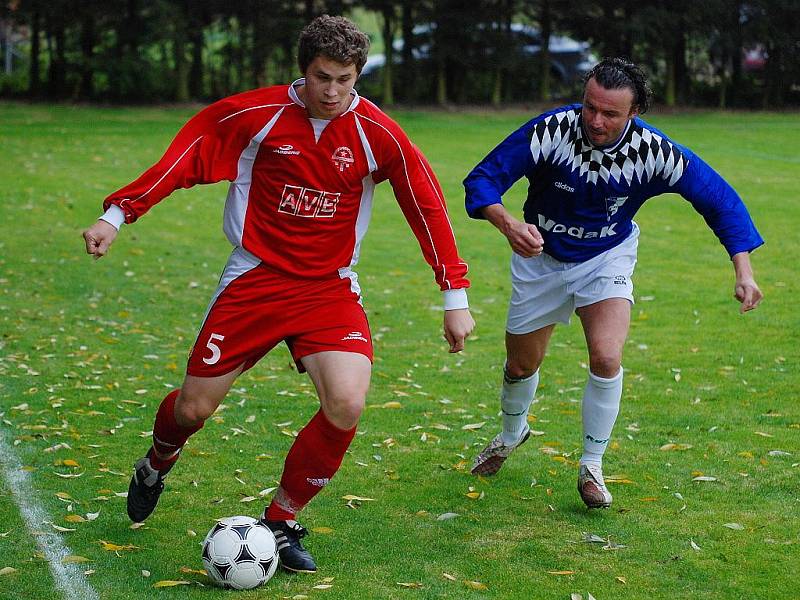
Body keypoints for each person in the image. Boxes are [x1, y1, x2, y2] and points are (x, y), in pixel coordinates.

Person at [82, 15, 474, 572]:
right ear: (303, 71)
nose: (333, 91)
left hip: (328, 288)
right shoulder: (252, 115)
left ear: (358, 74)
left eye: (345, 79)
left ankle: (282, 521)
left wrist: (453, 294)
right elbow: (183, 159)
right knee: (193, 410)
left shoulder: (377, 132)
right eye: (322, 78)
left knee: (347, 401)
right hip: (255, 280)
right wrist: (118, 215)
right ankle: (157, 461)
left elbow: (425, 203)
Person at [463, 57, 762, 509]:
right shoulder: (551, 131)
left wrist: (743, 268)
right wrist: (505, 222)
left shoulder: (654, 151)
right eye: (590, 108)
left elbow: (718, 199)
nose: (596, 121)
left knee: (606, 355)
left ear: (634, 112)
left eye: (610, 113)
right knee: (521, 365)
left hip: (607, 257)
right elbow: (483, 178)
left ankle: (592, 465)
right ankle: (510, 434)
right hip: (540, 259)